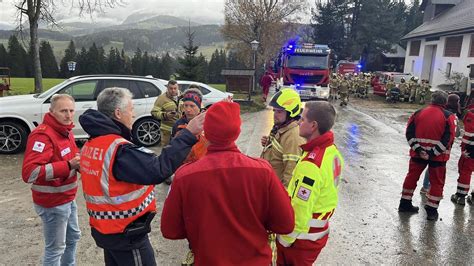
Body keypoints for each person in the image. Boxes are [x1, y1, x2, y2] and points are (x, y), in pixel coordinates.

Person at [78, 87, 204, 266]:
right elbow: (158, 169)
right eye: (131, 109)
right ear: (118, 113)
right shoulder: (119, 149)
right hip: (127, 234)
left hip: (106, 229)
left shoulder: (94, 142)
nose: (133, 113)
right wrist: (188, 135)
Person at [161, 101, 295, 266]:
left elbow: (170, 230)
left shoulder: (185, 176)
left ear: (205, 133)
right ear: (238, 132)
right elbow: (286, 224)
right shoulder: (263, 172)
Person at [276, 101, 344, 265]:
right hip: (317, 232)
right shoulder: (331, 150)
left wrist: (284, 239)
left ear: (313, 125)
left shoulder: (312, 165)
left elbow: (301, 209)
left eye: (303, 119)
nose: (299, 122)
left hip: (301, 240)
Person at [21, 94, 81, 266]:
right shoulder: (43, 136)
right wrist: (68, 165)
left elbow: (73, 157)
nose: (68, 115)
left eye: (71, 110)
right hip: (52, 203)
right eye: (63, 111)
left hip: (68, 198)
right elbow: (30, 173)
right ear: (52, 112)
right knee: (55, 249)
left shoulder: (66, 131)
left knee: (73, 238)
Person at [399, 91, 456, 221]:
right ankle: (431, 210)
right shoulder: (449, 116)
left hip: (418, 154)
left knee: (411, 177)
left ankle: (404, 203)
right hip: (438, 157)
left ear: (432, 99)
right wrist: (432, 153)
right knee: (437, 182)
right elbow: (449, 138)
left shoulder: (418, 112)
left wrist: (419, 150)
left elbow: (409, 133)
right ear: (445, 102)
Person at [171, 87, 208, 265]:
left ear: (199, 108)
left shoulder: (207, 124)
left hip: (204, 176)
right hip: (185, 175)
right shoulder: (178, 125)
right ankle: (193, 245)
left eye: (192, 105)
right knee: (188, 214)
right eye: (185, 105)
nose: (188, 109)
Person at [261, 88, 305, 187]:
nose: (275, 115)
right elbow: (278, 155)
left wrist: (283, 199)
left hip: (277, 190)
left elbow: (291, 174)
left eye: (279, 112)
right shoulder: (282, 128)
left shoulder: (293, 136)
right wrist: (269, 144)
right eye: (274, 111)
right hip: (270, 186)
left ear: (291, 112)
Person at [451, 99, 474, 205]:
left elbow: (469, 133)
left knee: (465, 171)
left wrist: (464, 149)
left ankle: (460, 197)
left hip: (471, 149)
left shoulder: (471, 114)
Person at [151, 80, 180, 146]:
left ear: (178, 88)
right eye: (171, 88)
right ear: (167, 88)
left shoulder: (182, 97)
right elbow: (154, 112)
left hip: (180, 130)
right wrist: (165, 115)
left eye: (175, 88)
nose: (173, 90)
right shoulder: (161, 98)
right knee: (166, 151)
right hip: (167, 131)